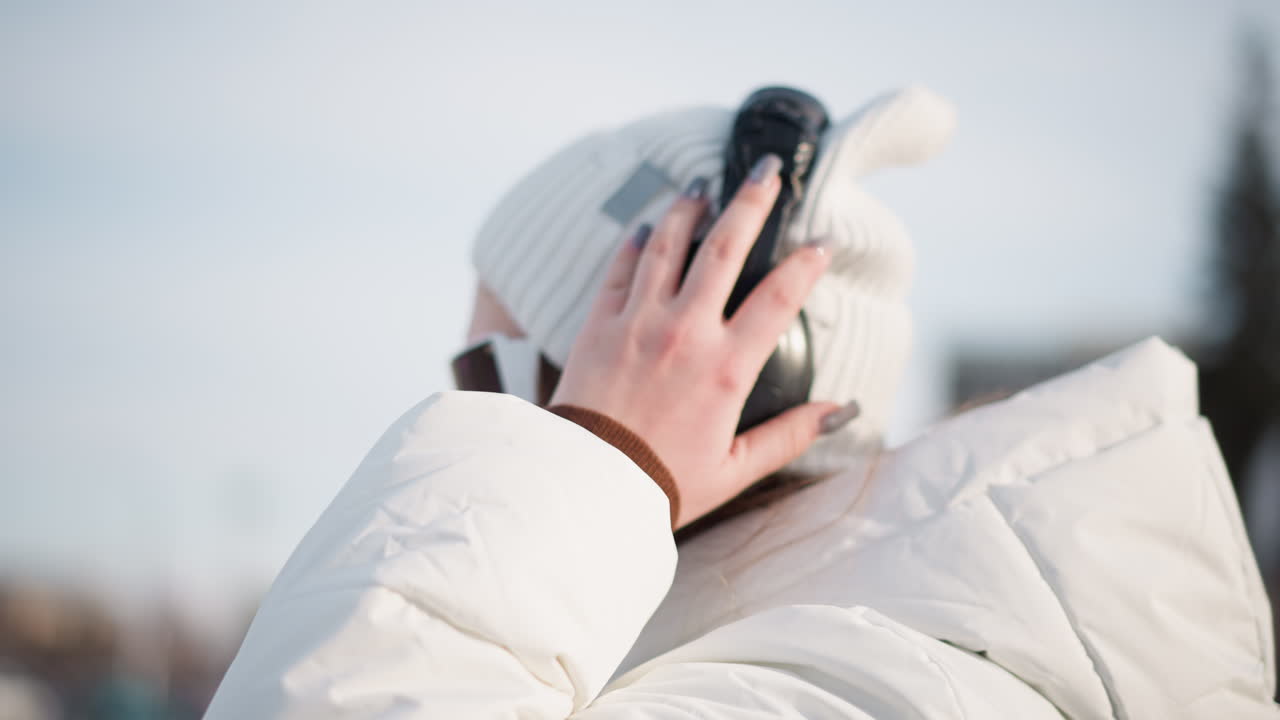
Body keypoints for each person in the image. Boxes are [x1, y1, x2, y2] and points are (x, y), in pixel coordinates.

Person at [204, 87, 1279, 718]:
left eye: (487, 372)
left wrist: (599, 457)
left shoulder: (846, 690)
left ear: (727, 381)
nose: (469, 419)